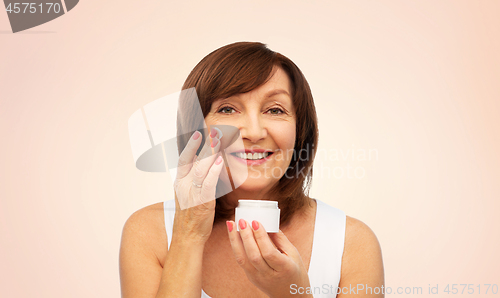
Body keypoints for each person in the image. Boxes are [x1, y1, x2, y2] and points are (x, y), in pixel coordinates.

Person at [119, 42, 384, 298]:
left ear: (299, 130)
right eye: (227, 109)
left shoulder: (352, 243)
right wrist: (188, 235)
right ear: (195, 128)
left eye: (275, 110)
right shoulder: (148, 232)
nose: (254, 132)